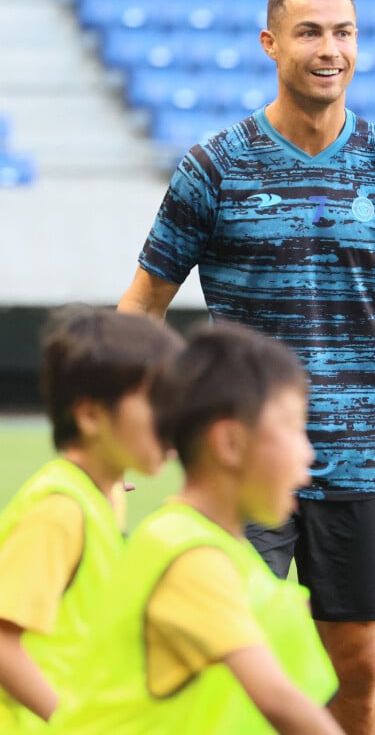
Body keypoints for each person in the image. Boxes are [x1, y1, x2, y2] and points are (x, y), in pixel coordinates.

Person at [117, 0, 375, 735]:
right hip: (238, 457)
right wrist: (129, 423)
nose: (330, 49)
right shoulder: (215, 167)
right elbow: (142, 304)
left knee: (358, 669)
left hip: (355, 461)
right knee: (231, 663)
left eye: (344, 33)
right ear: (271, 44)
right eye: (310, 33)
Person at [50, 321, 344, 735]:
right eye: (294, 428)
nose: (309, 453)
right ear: (229, 443)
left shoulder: (216, 546)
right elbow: (281, 702)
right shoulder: (190, 557)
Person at [0, 305, 183, 732]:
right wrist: (75, 722)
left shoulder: (99, 494)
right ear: (90, 415)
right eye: (158, 403)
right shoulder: (60, 510)